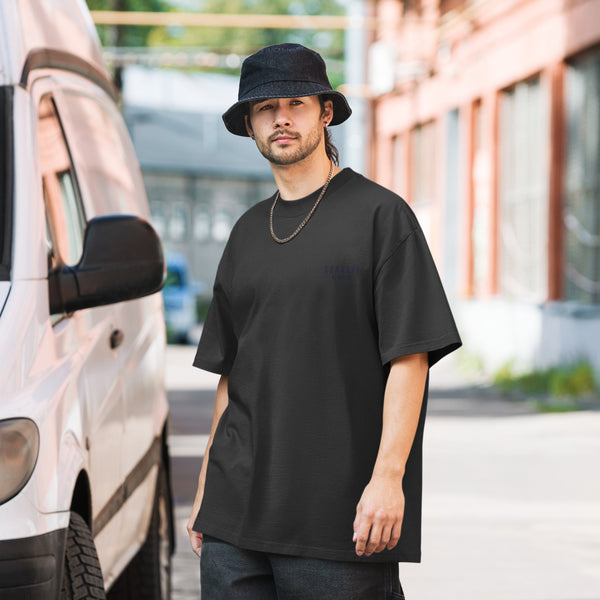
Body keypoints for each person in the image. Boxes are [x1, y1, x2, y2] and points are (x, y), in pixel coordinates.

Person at [187, 43, 462, 600]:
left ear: (326, 112)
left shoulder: (382, 217)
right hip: (234, 521)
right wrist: (205, 488)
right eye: (265, 108)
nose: (281, 117)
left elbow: (411, 359)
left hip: (339, 522)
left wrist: (389, 479)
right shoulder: (243, 233)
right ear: (250, 124)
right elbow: (231, 375)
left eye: (295, 102)